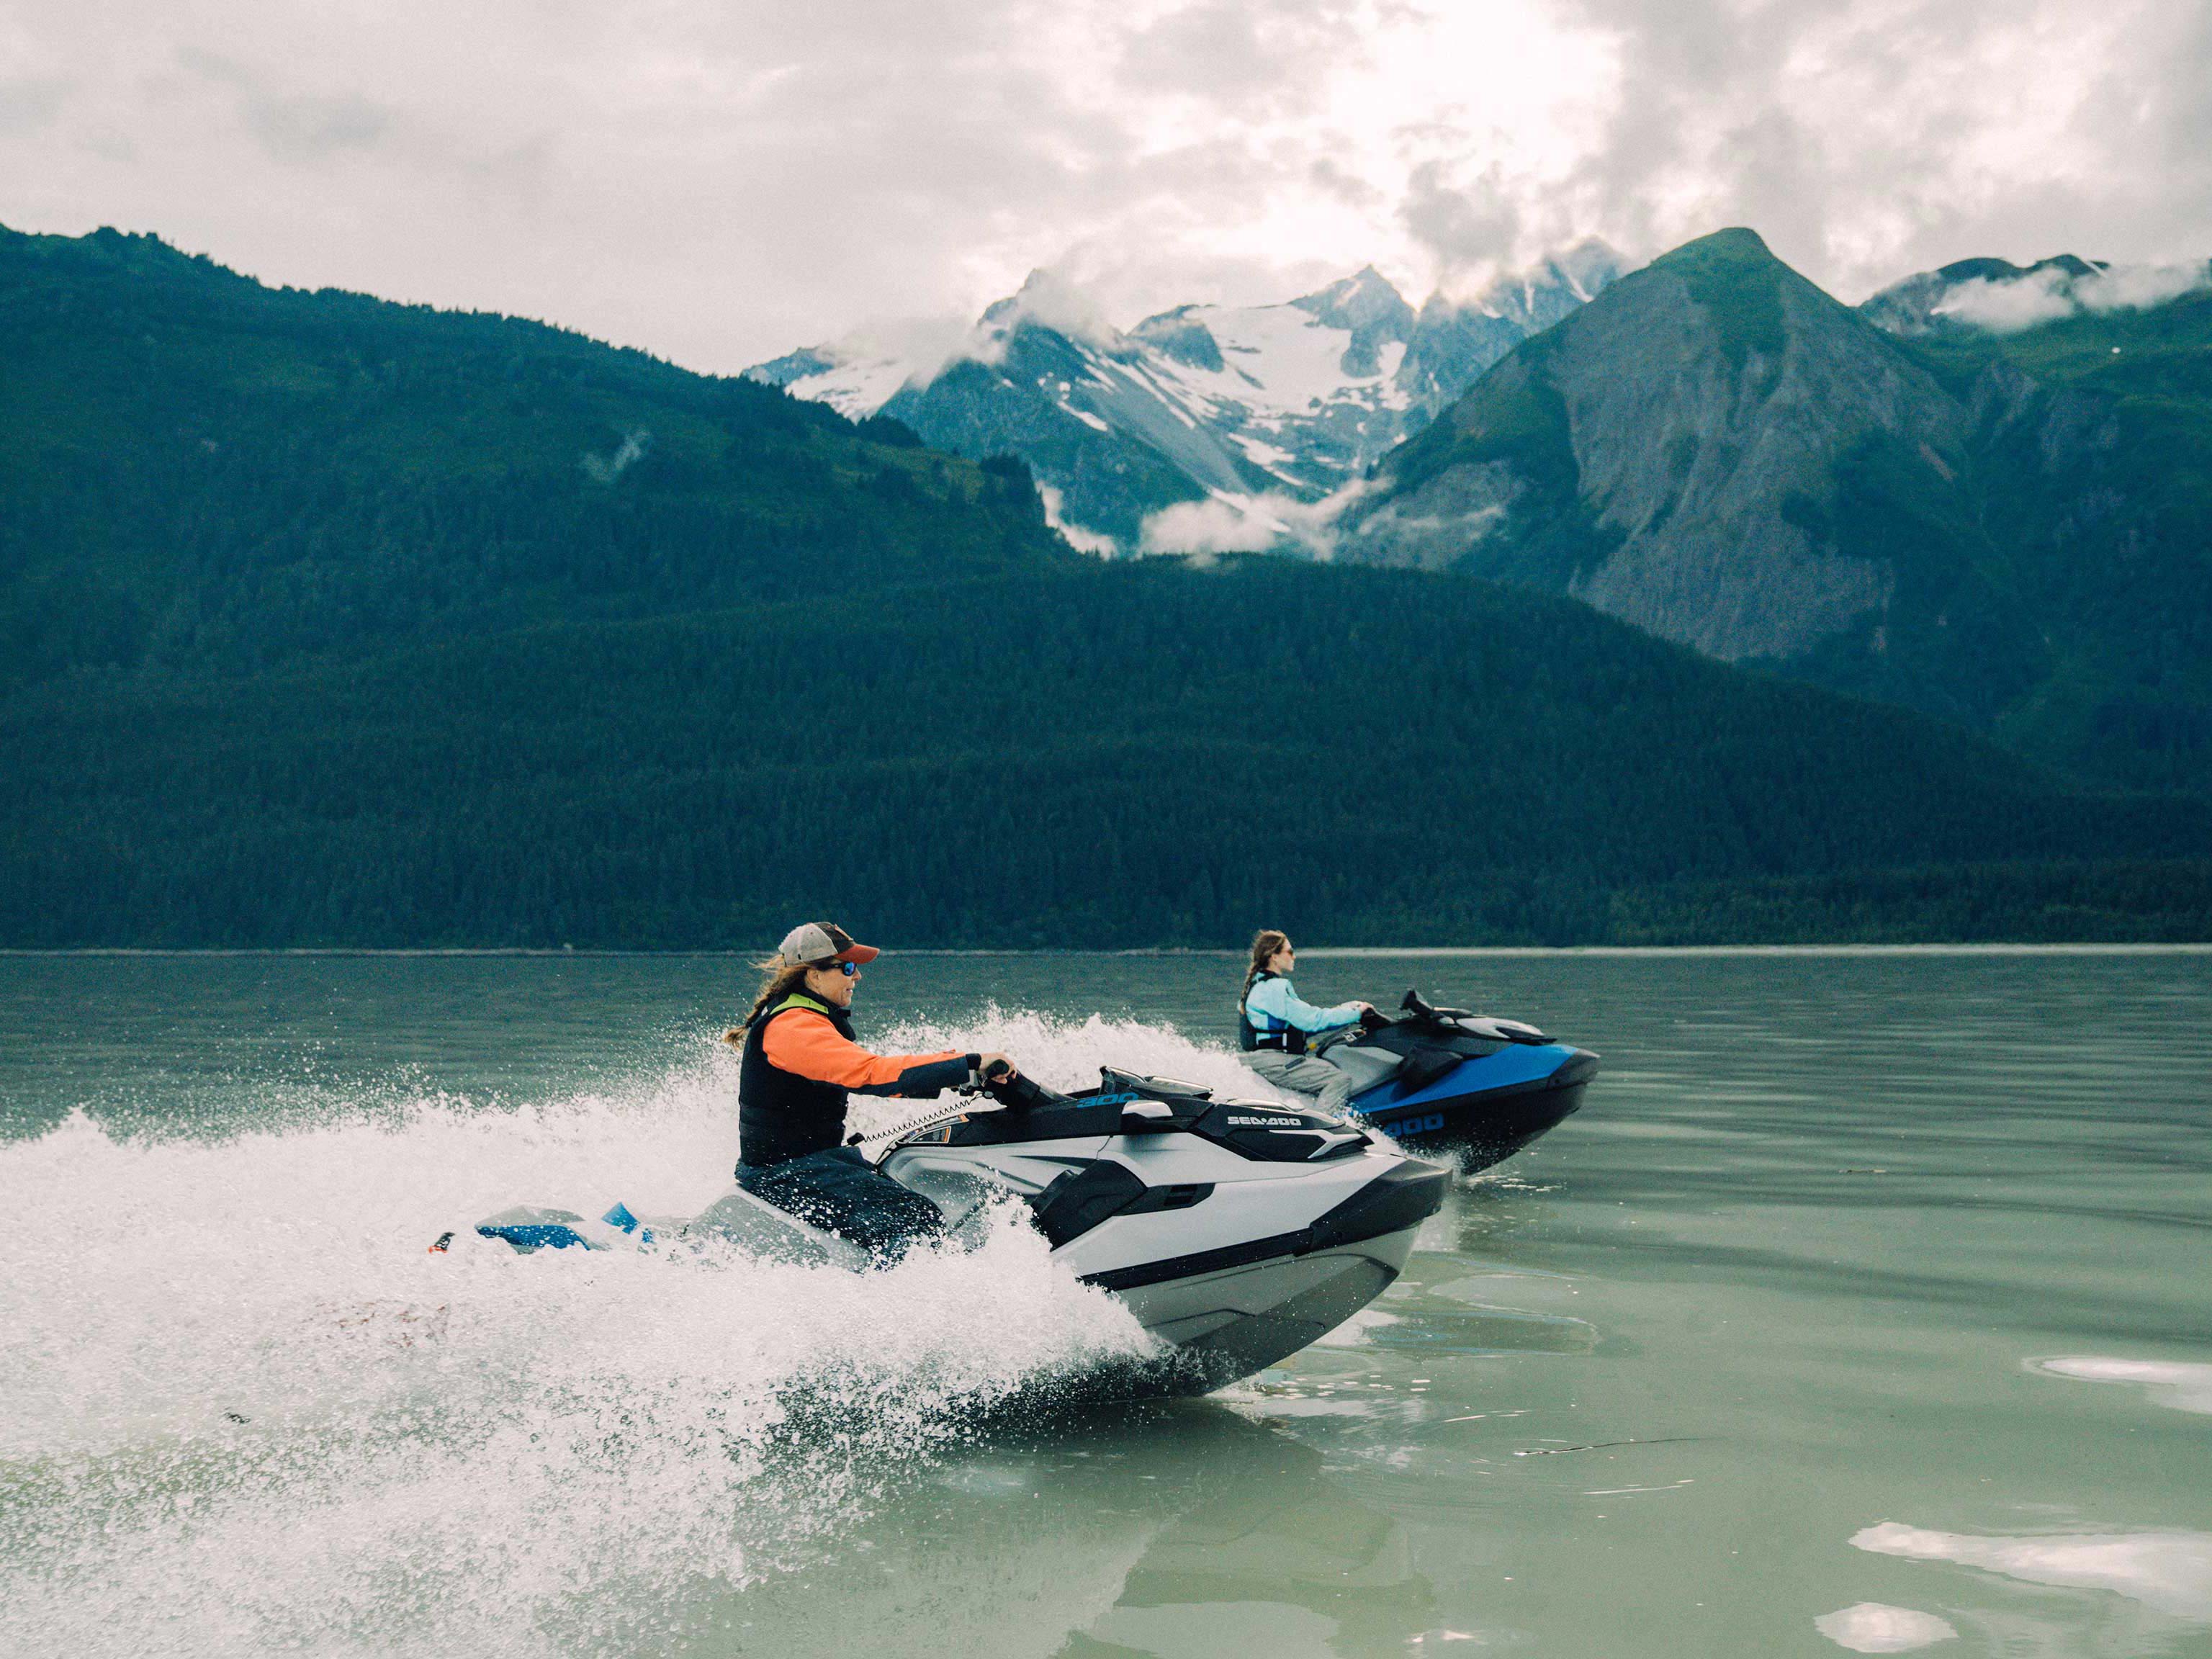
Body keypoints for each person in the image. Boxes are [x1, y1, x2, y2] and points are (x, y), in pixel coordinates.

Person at [723, 922, 1017, 1259]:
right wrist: (969, 1062)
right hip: (785, 1173)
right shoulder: (793, 1027)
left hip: (810, 1163)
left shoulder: (807, 1017)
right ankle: (891, 1306)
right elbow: (870, 1073)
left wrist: (959, 1075)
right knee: (915, 1220)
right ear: (813, 975)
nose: (857, 977)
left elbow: (873, 1074)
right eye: (847, 967)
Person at [1236, 929, 1372, 1117]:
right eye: (1290, 952)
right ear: (1274, 957)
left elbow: (1302, 1025)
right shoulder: (1274, 988)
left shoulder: (1258, 985)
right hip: (1274, 1061)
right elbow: (1312, 1021)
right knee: (1339, 1079)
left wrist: (1348, 1010)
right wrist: (1357, 1013)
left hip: (1266, 1059)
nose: (1294, 956)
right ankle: (1321, 1126)